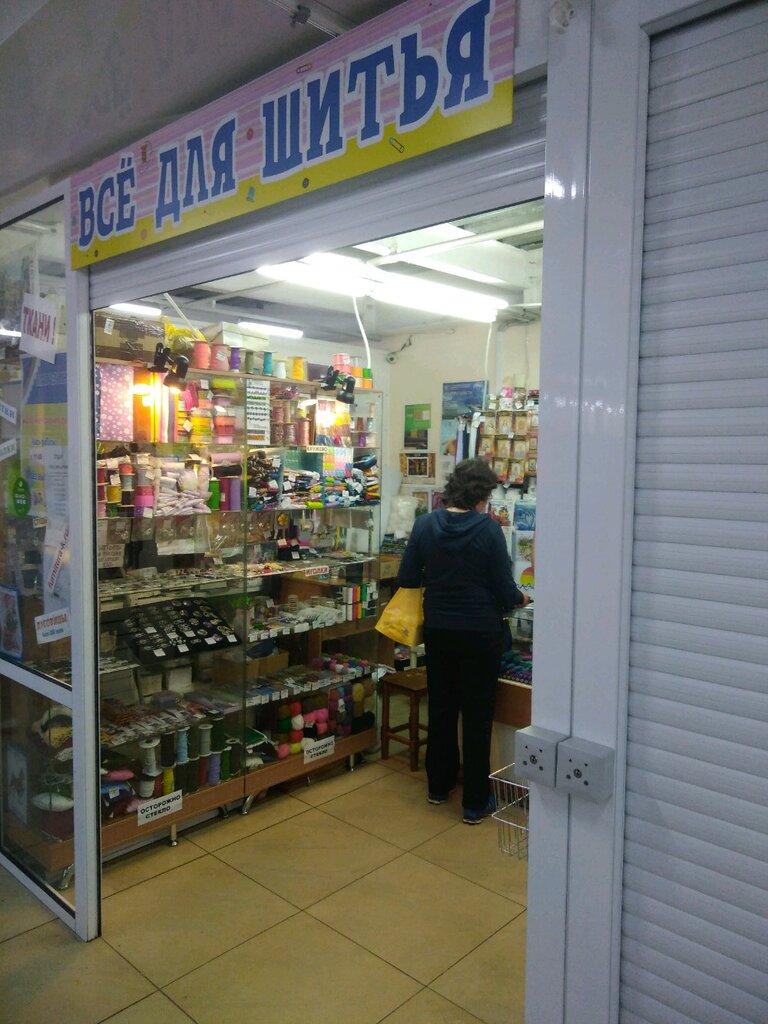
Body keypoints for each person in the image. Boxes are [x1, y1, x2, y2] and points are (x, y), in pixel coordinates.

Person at [396, 458, 530, 824]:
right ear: (482, 495)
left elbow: (406, 578)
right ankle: (475, 802)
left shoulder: (425, 525)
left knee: (441, 708)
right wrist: (522, 599)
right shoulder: (488, 531)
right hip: (481, 634)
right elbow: (504, 590)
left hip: (439, 630)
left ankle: (438, 787)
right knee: (476, 716)